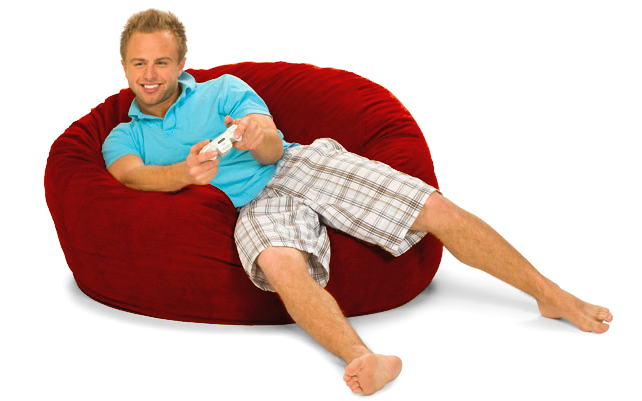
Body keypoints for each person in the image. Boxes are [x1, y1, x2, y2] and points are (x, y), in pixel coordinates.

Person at [102, 9, 613, 396]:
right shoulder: (123, 136)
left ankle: (551, 294)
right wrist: (184, 174)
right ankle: (365, 358)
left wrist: (256, 134)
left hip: (295, 164)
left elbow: (274, 145)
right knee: (280, 264)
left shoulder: (225, 90)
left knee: (431, 207)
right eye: (140, 62)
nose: (151, 74)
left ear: (181, 64)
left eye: (162, 61)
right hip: (249, 206)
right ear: (124, 65)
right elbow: (131, 177)